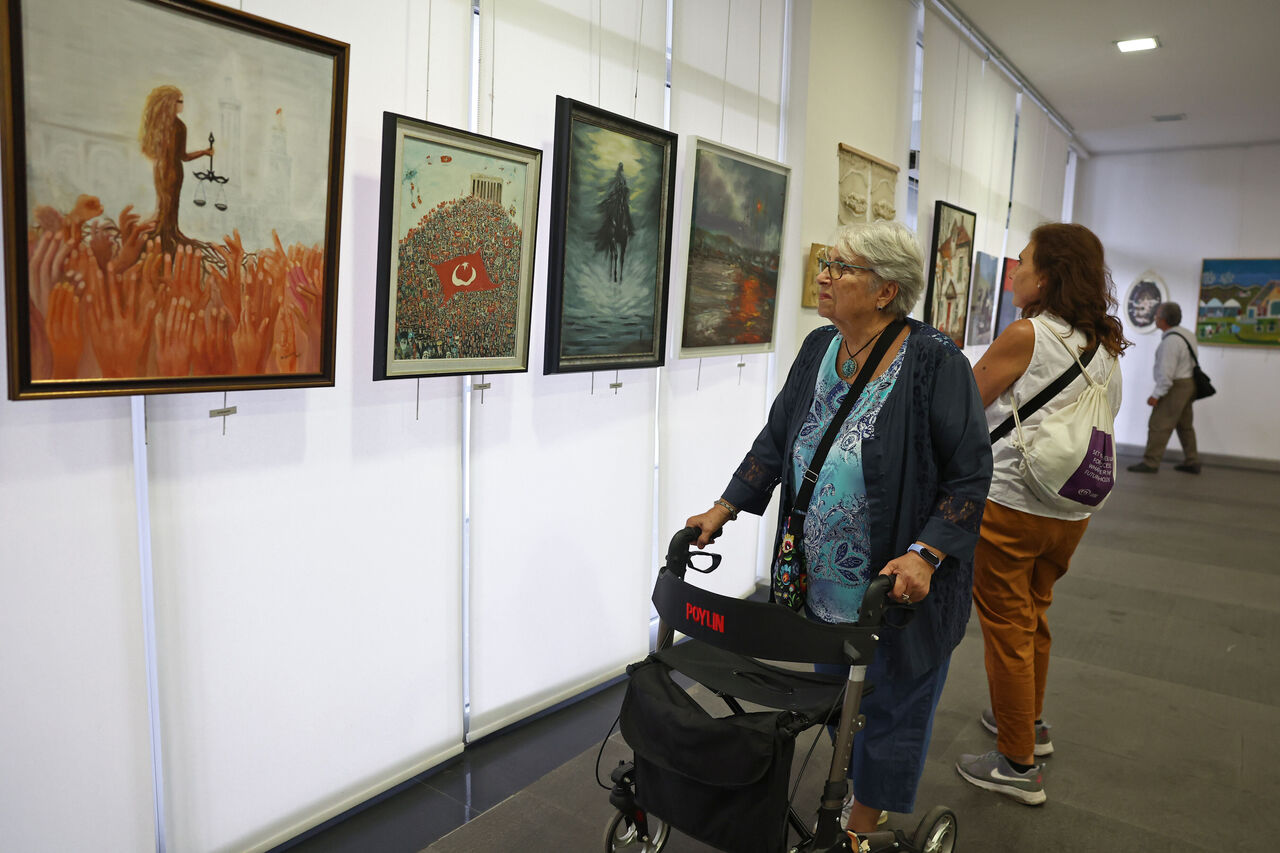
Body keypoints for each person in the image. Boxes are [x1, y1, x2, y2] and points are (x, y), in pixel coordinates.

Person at [685, 220, 992, 835]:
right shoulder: (817, 348)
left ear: (885, 291)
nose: (823, 276)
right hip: (817, 574)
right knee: (837, 698)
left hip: (895, 582)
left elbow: (968, 476)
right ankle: (842, 784)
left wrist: (926, 555)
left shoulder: (935, 362)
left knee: (894, 699)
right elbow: (777, 441)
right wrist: (727, 505)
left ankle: (861, 822)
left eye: (841, 267)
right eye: (826, 262)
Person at [957, 223, 1128, 805]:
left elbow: (964, 402)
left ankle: (1015, 763)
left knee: (1006, 624)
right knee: (1034, 613)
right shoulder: (1102, 343)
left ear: (1049, 274)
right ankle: (1028, 723)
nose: (1014, 271)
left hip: (1010, 503)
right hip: (1071, 509)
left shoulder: (1027, 334)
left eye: (1023, 260)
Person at [1127, 301, 1201, 474]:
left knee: (1159, 424)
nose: (1155, 317)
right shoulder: (1188, 334)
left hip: (1175, 387)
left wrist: (1156, 395)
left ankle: (1151, 462)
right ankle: (1192, 460)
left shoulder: (1170, 342)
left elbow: (1166, 375)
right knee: (1185, 425)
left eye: (1157, 315)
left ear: (1163, 320)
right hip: (1189, 383)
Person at [139, 85, 213, 254]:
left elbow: (153, 151)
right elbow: (183, 157)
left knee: (164, 205)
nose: (182, 105)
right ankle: (166, 240)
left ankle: (162, 238)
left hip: (159, 170)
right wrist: (204, 152)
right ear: (170, 103)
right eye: (179, 101)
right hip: (173, 171)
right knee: (170, 206)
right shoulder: (179, 127)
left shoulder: (159, 126)